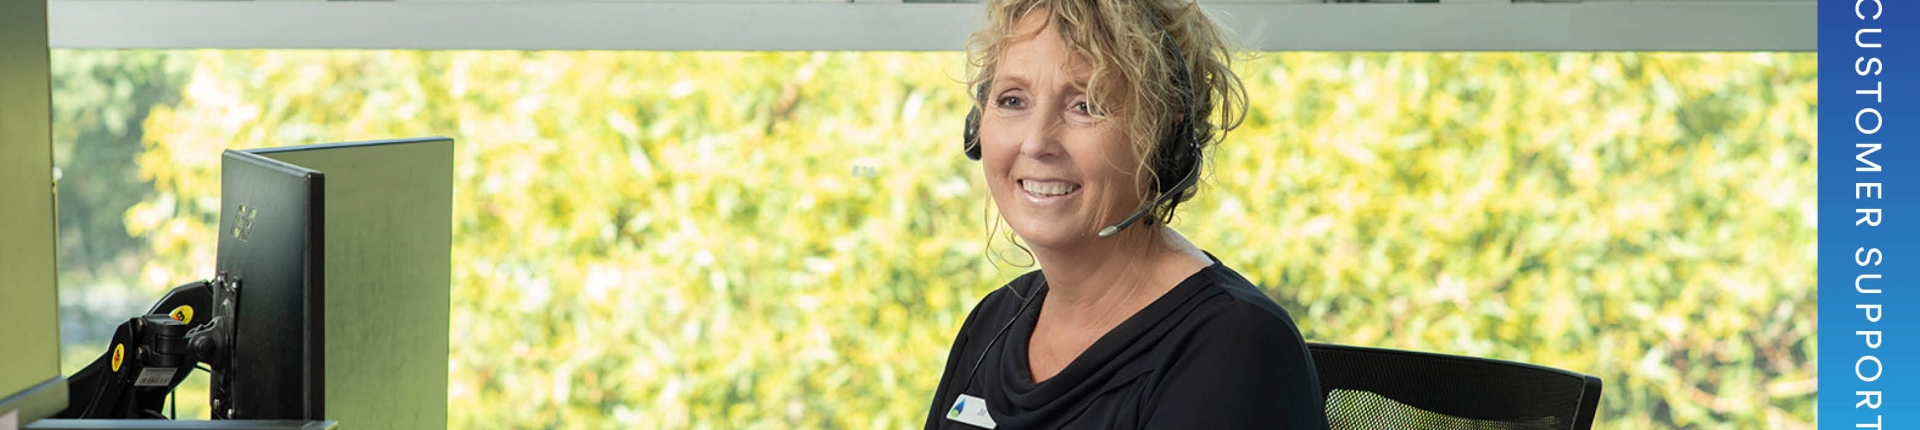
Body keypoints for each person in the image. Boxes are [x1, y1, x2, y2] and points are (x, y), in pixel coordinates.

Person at [925, 0, 1328, 428]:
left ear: (1164, 133)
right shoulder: (994, 322)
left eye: (1086, 105)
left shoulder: (1231, 346)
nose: (1037, 142)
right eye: (1012, 100)